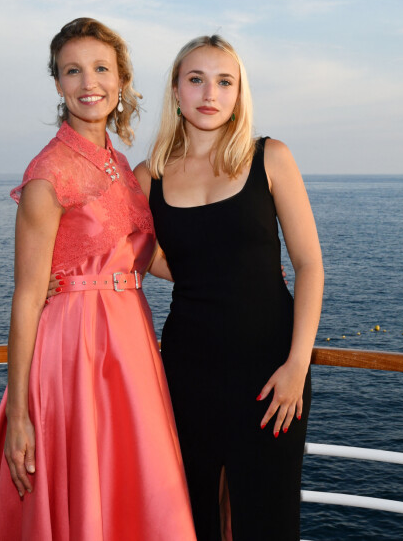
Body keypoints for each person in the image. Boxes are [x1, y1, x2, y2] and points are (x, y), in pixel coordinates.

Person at [0, 18, 196, 541]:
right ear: (58, 83)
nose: (89, 82)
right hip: (75, 349)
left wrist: (239, 267)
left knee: (137, 489)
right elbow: (25, 297)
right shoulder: (48, 174)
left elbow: (145, 258)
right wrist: (17, 415)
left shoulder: (119, 162)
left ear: (121, 80)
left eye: (101, 68)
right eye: (73, 71)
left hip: (130, 342)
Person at [133, 35, 324, 541]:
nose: (209, 93)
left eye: (224, 81)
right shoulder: (149, 177)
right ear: (176, 91)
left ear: (239, 93)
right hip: (187, 368)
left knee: (266, 514)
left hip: (271, 369)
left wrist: (297, 365)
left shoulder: (271, 157)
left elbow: (310, 266)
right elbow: (125, 252)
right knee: (195, 512)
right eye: (195, 79)